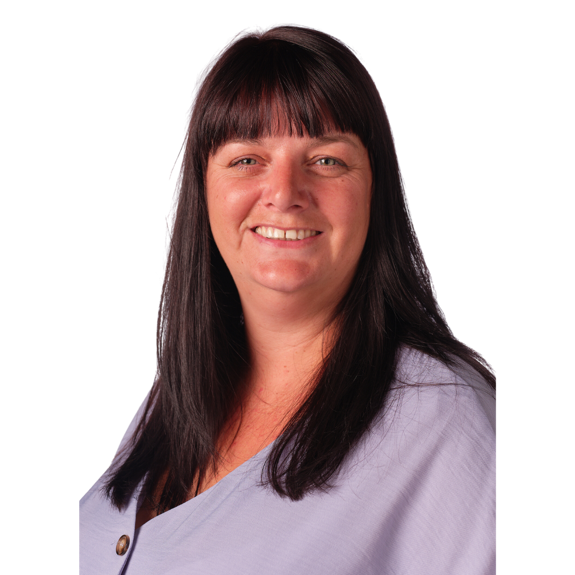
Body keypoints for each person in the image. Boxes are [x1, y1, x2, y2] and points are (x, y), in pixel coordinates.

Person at [77, 21, 498, 574]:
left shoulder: (449, 420)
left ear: (375, 191)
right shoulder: (171, 397)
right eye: (247, 159)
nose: (284, 194)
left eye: (326, 160)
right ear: (203, 190)